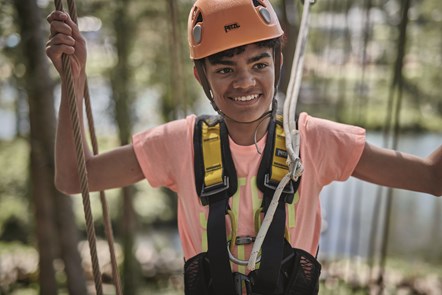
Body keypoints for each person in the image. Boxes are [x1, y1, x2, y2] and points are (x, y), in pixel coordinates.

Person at [46, 0, 441, 294]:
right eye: (224, 69)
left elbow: (431, 177)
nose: (245, 82)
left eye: (259, 64)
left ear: (277, 64)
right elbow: (74, 177)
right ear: (203, 78)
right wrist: (74, 81)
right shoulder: (178, 144)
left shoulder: (314, 140)